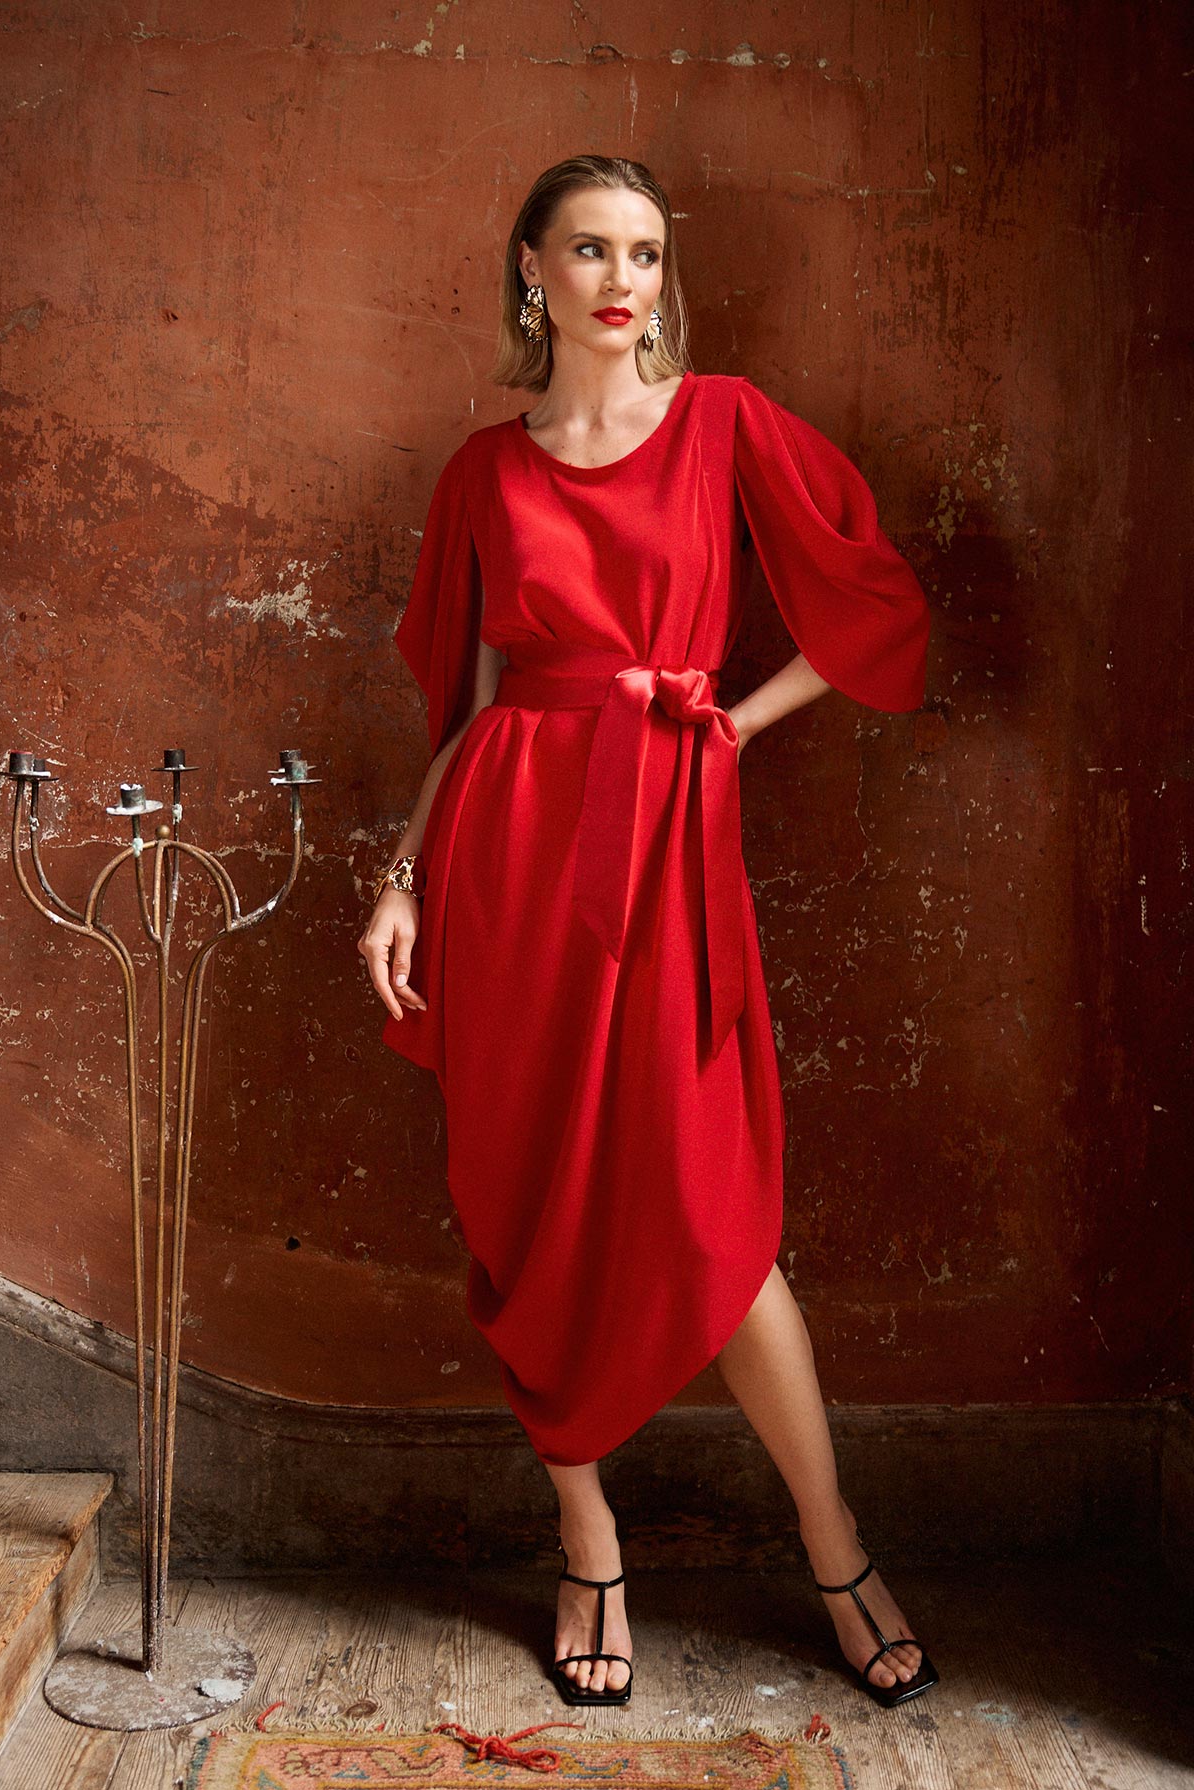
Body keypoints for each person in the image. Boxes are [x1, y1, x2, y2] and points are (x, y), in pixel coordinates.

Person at [358, 154, 937, 1713]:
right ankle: (589, 1534)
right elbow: (475, 705)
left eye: (650, 254)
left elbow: (873, 608)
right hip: (508, 859)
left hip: (667, 844)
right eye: (594, 250)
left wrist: (729, 723)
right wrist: (406, 873)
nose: (628, 280)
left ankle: (836, 1542)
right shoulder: (484, 473)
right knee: (526, 1206)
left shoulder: (729, 422)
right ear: (531, 270)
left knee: (713, 1218)